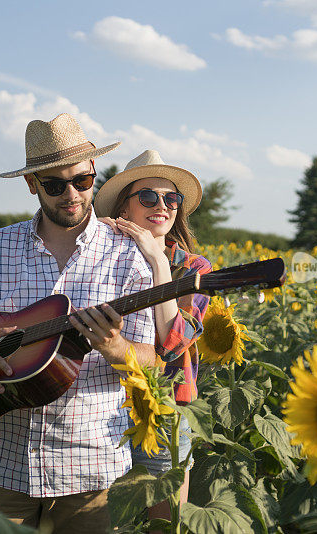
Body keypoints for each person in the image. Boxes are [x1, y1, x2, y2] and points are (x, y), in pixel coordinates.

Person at [0, 113, 157, 531]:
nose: (72, 194)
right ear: (32, 184)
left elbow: (150, 360)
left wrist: (115, 348)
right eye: (55, 185)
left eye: (82, 180)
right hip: (0, 467)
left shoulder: (127, 256)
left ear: (95, 173)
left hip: (89, 467)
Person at [94, 150, 212, 523]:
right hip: (100, 407)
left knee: (164, 526)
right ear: (124, 209)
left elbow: (174, 342)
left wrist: (160, 262)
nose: (161, 205)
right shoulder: (100, 256)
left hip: (164, 410)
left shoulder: (193, 268)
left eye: (170, 198)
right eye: (148, 197)